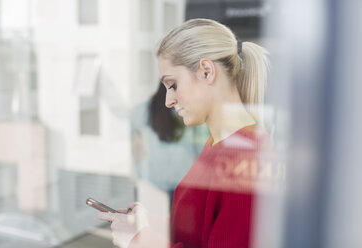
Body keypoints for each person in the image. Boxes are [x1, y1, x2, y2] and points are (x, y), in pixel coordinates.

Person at [98, 18, 272, 248]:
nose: (169, 101)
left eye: (172, 85)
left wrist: (140, 242)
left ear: (207, 72)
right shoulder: (217, 142)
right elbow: (200, 230)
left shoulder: (247, 156)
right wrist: (147, 223)